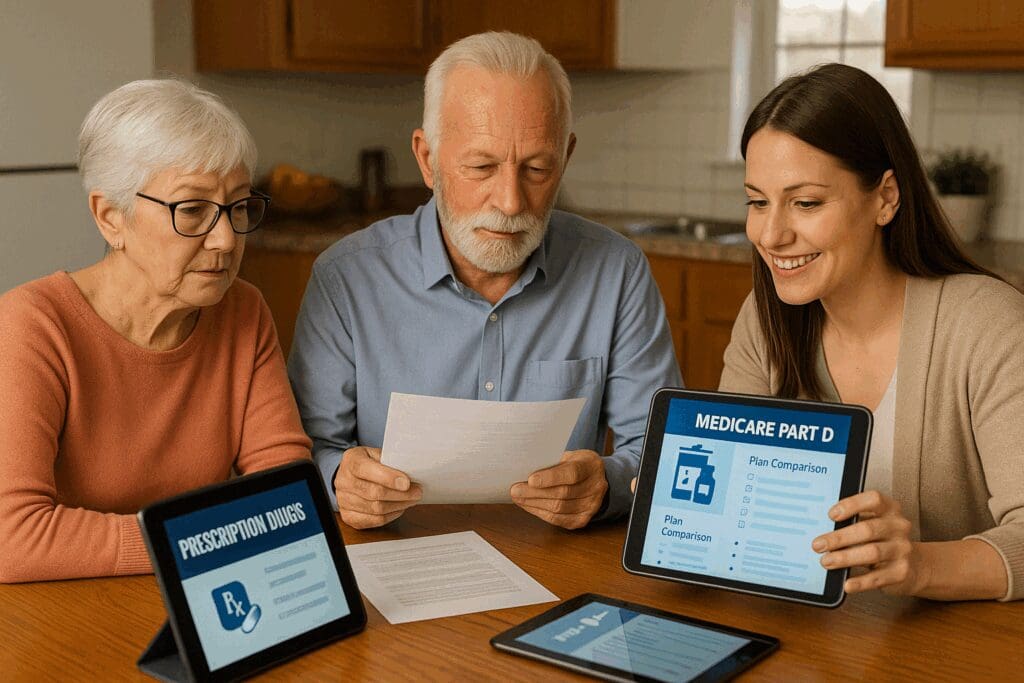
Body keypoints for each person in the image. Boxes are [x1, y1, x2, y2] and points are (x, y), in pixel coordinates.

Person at [288, 32, 680, 531]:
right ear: (427, 160)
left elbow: (660, 448)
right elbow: (305, 449)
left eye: (537, 168)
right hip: (397, 559)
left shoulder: (616, 271)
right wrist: (340, 478)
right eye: (481, 166)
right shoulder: (346, 278)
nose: (511, 202)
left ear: (566, 157)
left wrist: (606, 485)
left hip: (559, 562)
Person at [720, 63, 1024, 601]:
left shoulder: (987, 324)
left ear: (886, 196)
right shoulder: (765, 320)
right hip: (818, 643)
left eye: (806, 202)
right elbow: (737, 512)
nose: (770, 234)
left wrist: (920, 566)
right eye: (757, 201)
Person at [0, 80, 311, 583]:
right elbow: (12, 539)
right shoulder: (31, 326)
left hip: (196, 595)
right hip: (55, 617)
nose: (227, 238)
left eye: (238, 207)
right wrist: (200, 541)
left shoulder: (242, 310)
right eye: (192, 210)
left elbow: (287, 494)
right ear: (110, 218)